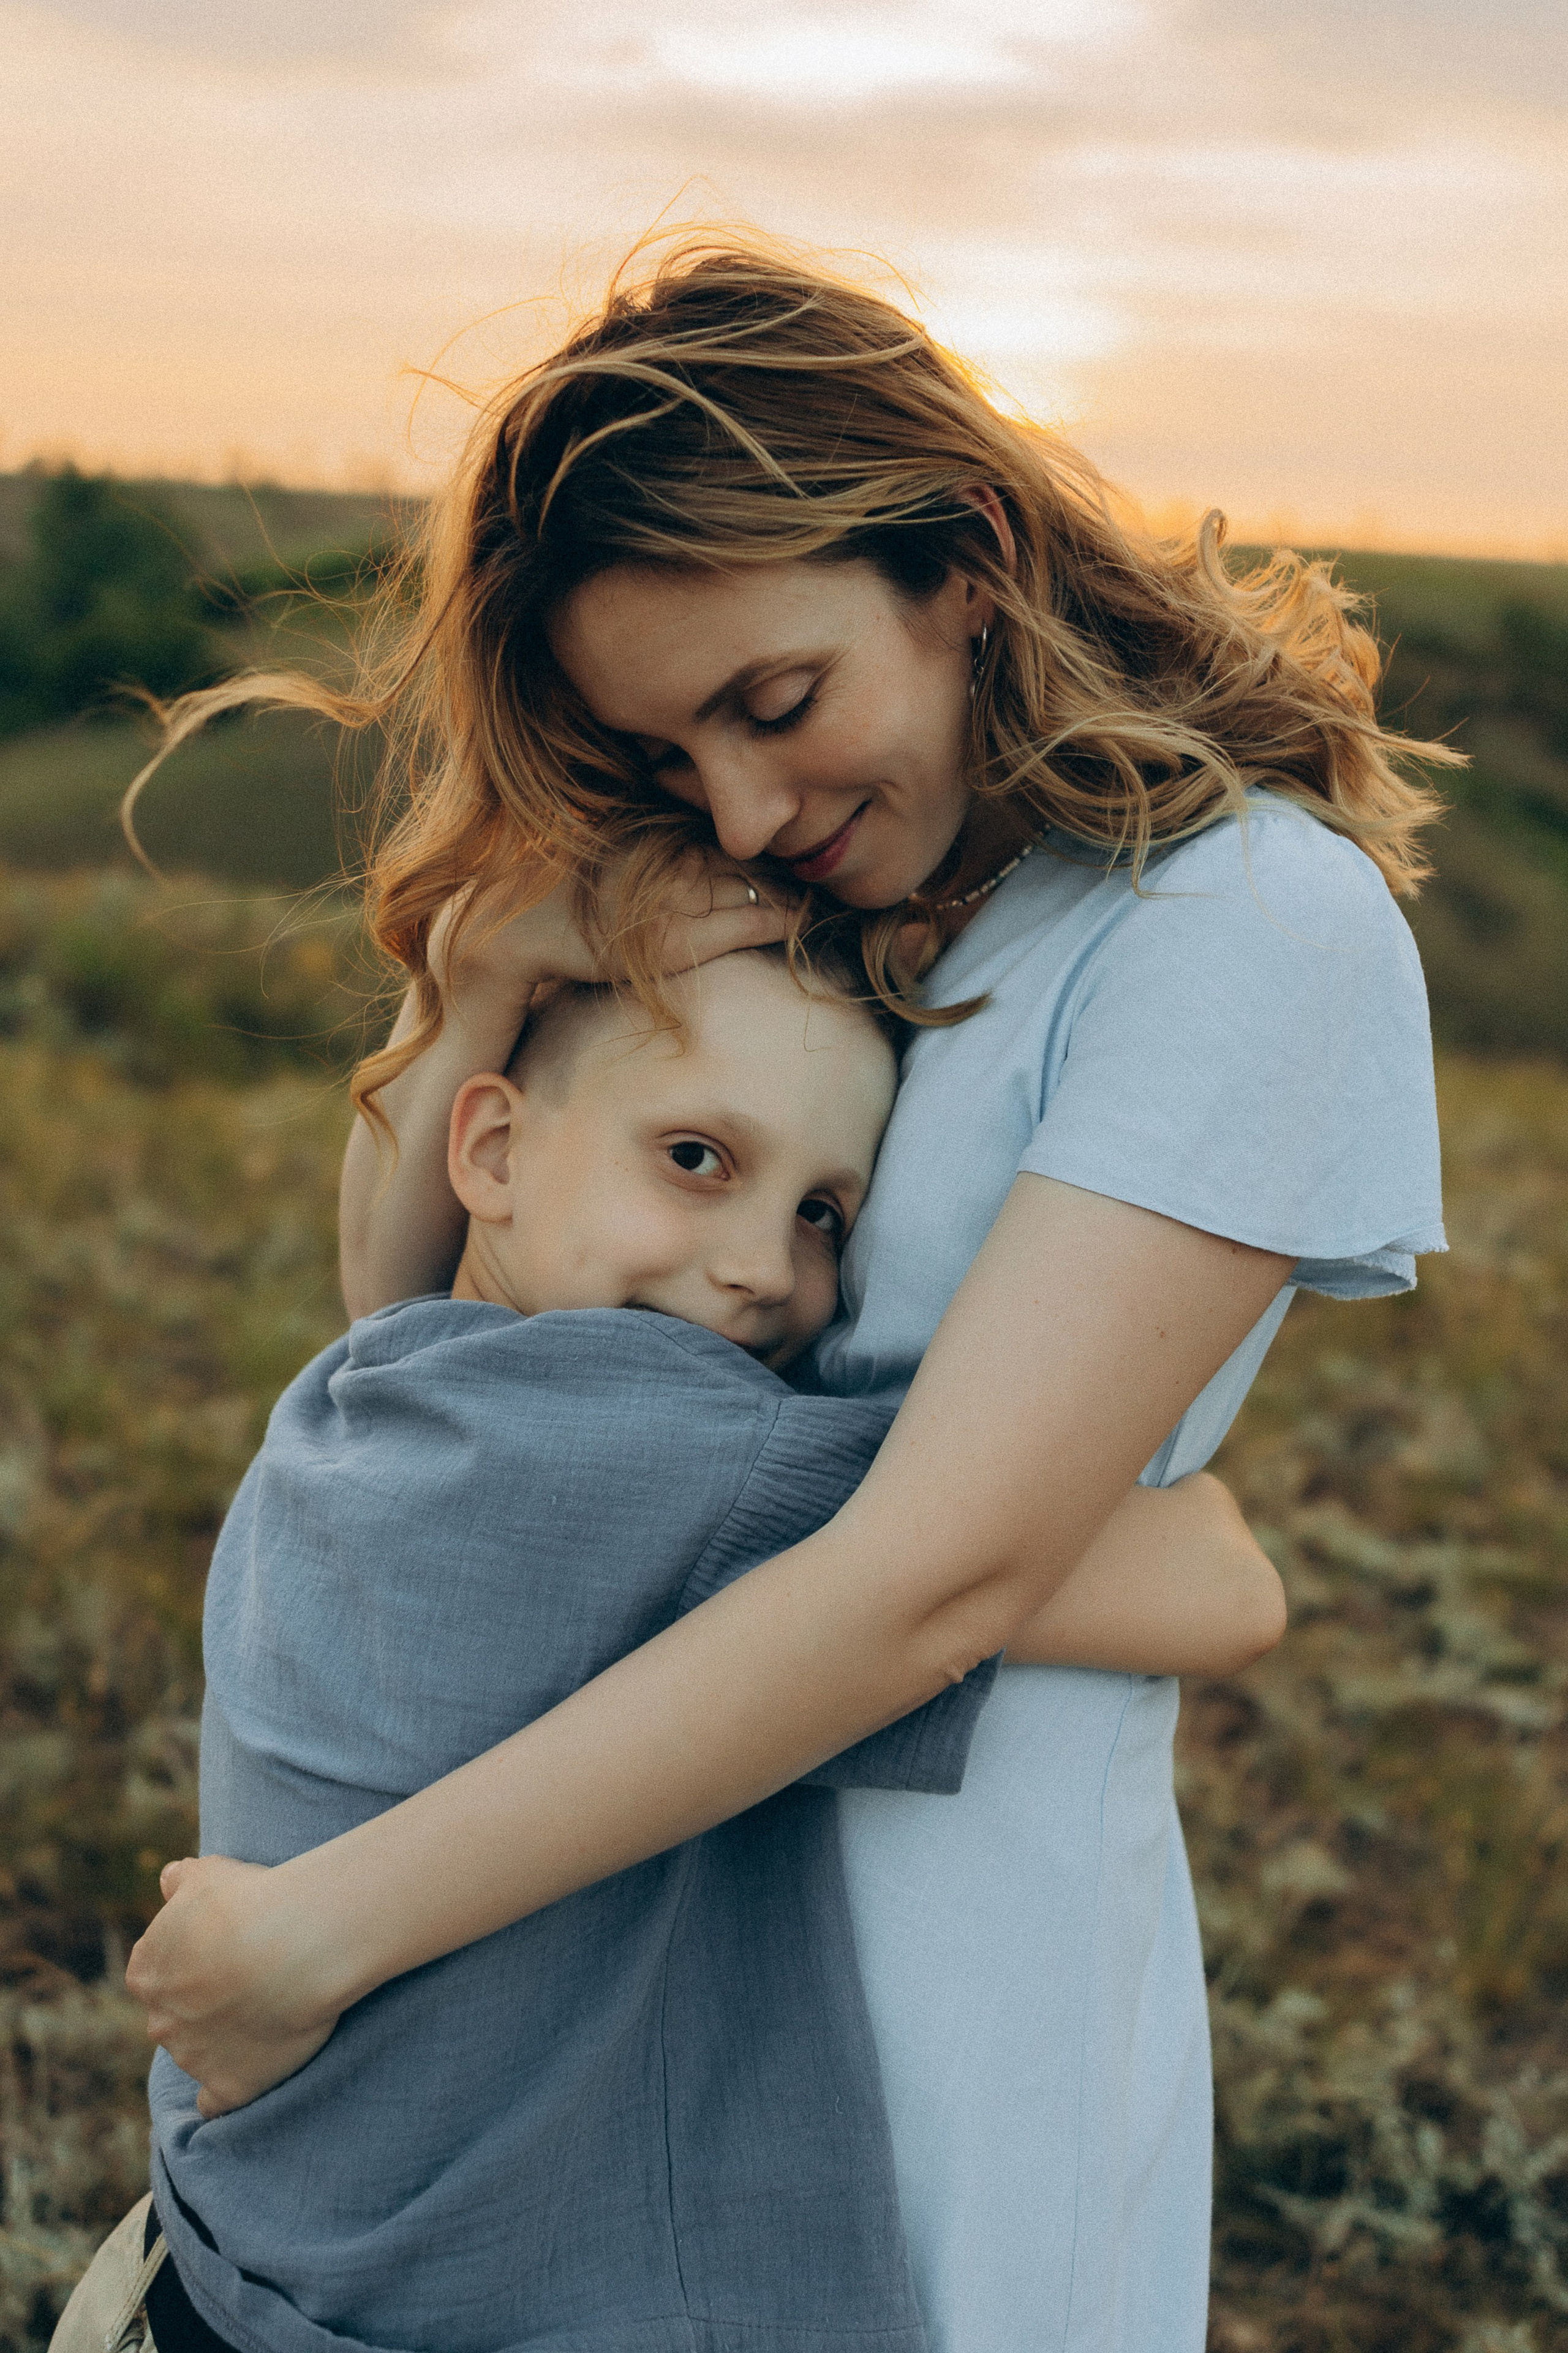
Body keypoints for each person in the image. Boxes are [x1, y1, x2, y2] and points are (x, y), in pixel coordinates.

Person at [123, 235, 1450, 2352]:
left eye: (776, 702)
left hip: (940, 1958)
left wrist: (319, 1937)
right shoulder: (866, 883)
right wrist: (482, 978)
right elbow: (437, 1351)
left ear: (969, 562)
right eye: (676, 750)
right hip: (597, 1937)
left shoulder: (1241, 927)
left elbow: (939, 1578)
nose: (746, 805)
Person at [62, 946, 1281, 2353]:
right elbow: (1222, 1585)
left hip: (245, 2264)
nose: (764, 1268)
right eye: (697, 1156)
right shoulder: (665, 1447)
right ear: (495, 1147)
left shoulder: (375, 1380)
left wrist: (466, 986)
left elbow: (392, 1241)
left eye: (826, 1213)